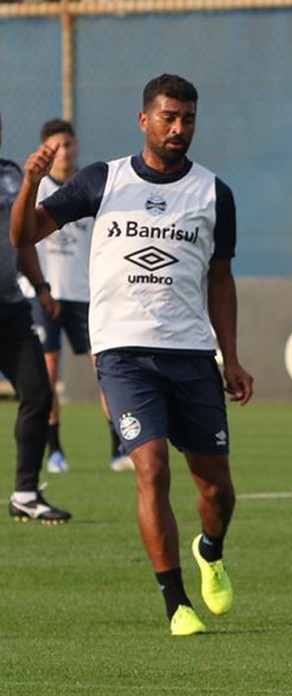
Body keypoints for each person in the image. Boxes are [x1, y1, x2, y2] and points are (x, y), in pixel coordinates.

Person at [10, 74, 253, 637]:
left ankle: (210, 551)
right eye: (168, 117)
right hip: (121, 353)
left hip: (192, 355)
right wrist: (31, 183)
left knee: (216, 489)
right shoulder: (104, 180)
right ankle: (176, 604)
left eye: (188, 118)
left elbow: (221, 280)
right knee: (151, 468)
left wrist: (231, 358)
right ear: (144, 120)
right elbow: (24, 234)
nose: (178, 128)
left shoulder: (215, 193)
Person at [22, 119, 133, 474]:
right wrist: (39, 289)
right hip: (45, 297)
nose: (65, 152)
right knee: (49, 373)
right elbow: (22, 236)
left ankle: (120, 448)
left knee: (107, 369)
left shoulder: (89, 189)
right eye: (57, 146)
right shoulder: (37, 192)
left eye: (69, 144)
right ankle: (55, 451)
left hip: (85, 297)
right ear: (45, 150)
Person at [1, 109, 72, 525]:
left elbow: (23, 236)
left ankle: (26, 493)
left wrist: (41, 287)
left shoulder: (11, 175)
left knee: (39, 393)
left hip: (10, 306)